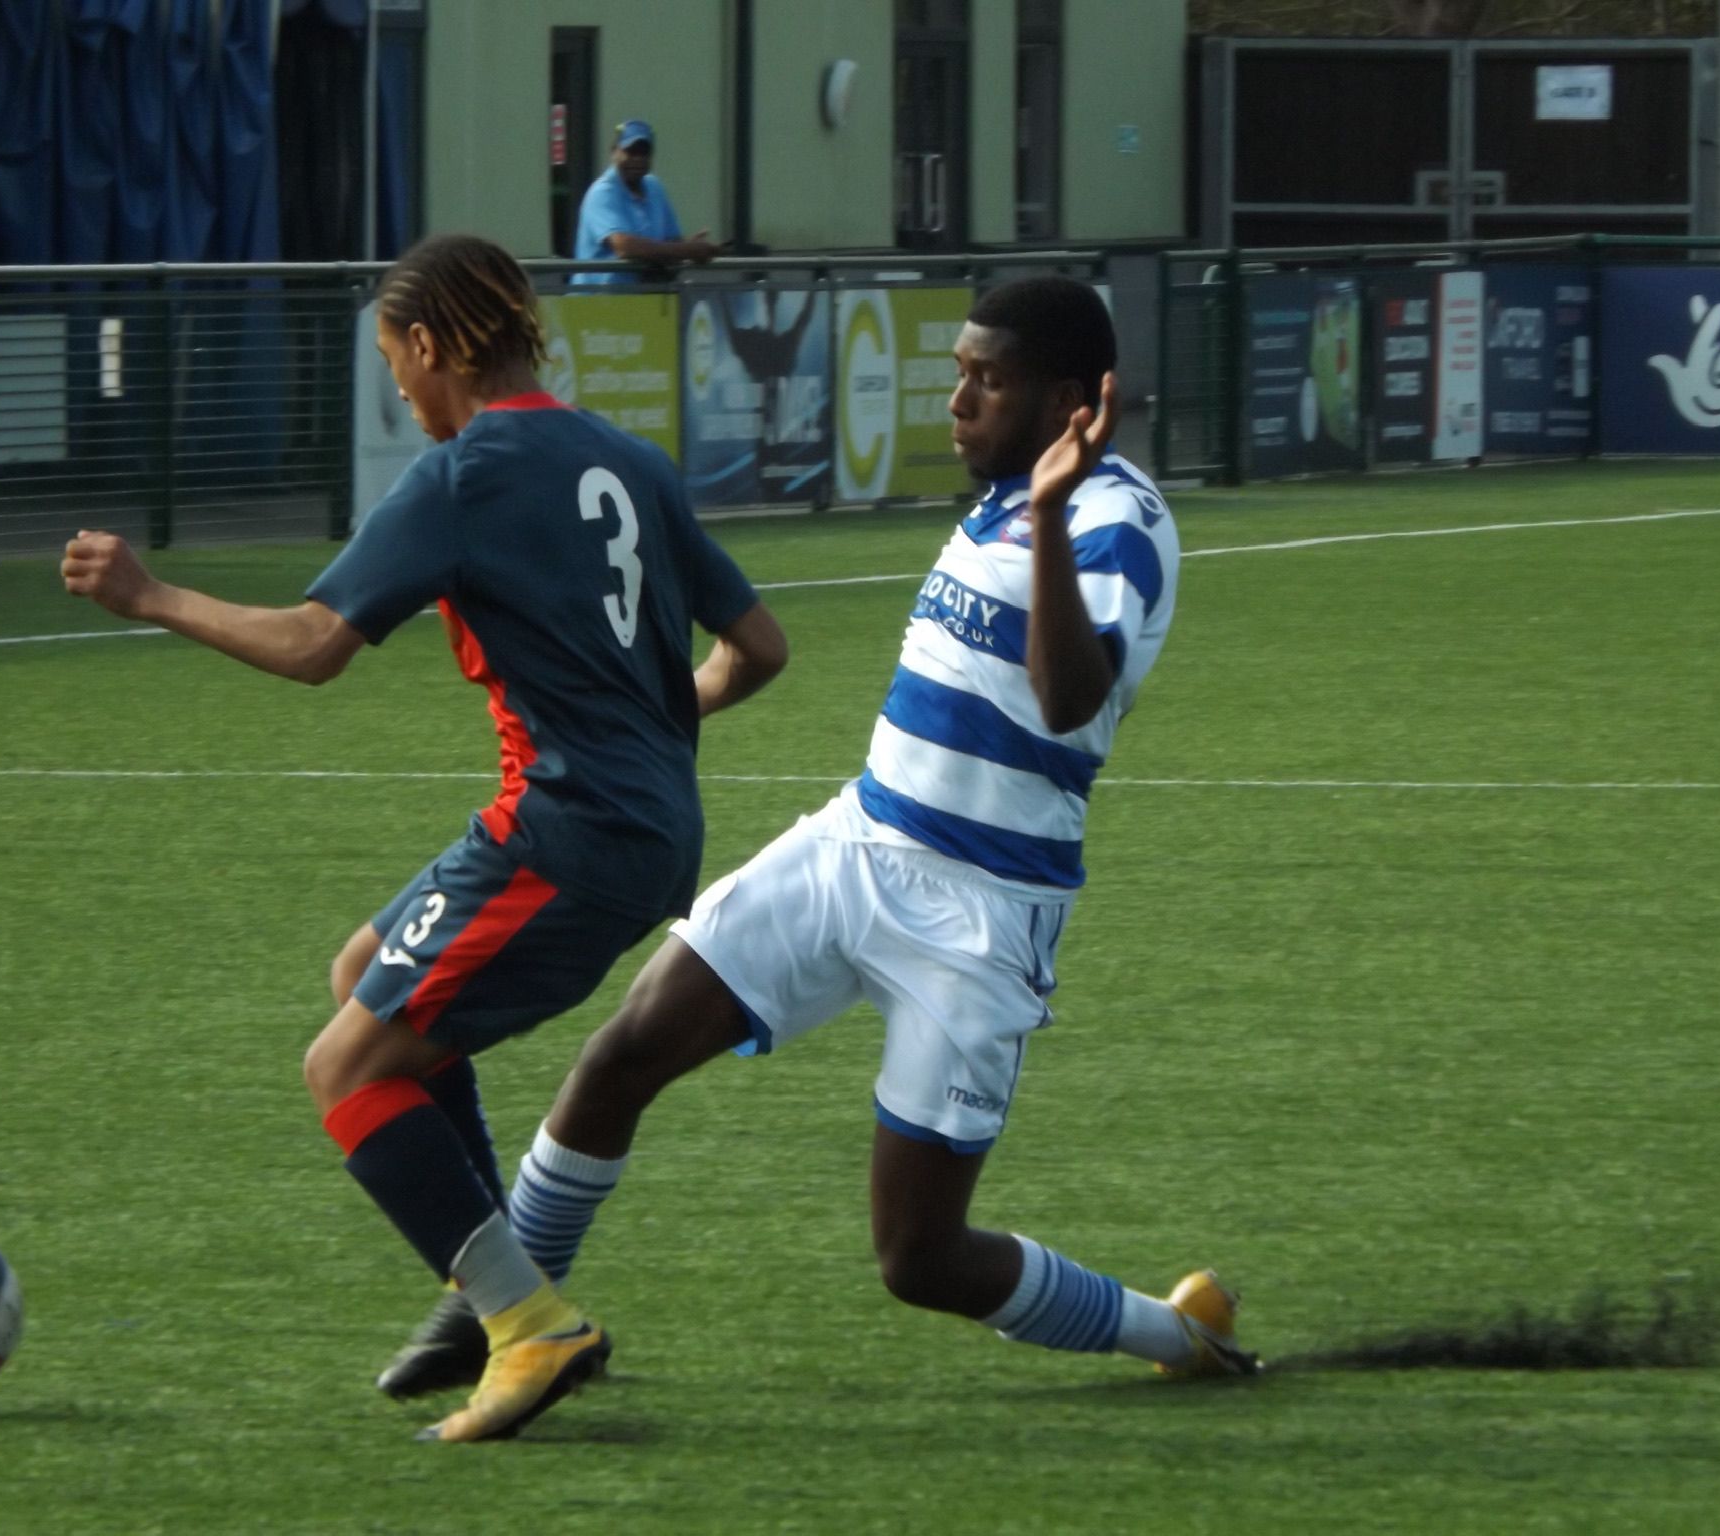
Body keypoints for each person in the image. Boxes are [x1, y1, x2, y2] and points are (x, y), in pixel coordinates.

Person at [390, 276, 1258, 1422]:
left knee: (917, 1258)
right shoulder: (1005, 495)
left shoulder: (1115, 521)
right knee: (621, 1056)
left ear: (1065, 402)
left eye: (982, 382)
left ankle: (1172, 1333)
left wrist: (1049, 514)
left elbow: (1066, 699)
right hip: (857, 841)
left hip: (979, 912)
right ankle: (503, 1319)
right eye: (954, 371)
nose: (953, 400)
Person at [59, 233, 788, 1442]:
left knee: (339, 1067)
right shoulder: (629, 460)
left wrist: (150, 596)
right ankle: (493, 1289)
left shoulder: (465, 474)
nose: (400, 390)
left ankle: (524, 1322)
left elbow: (312, 647)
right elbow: (759, 650)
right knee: (364, 975)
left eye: (397, 360)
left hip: (566, 833)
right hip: (651, 822)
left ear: (436, 345)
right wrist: (659, 724)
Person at [571, 118, 721, 286]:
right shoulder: (602, 192)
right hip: (594, 303)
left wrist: (689, 246)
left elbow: (672, 241)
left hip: (643, 300)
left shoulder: (654, 187)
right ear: (614, 152)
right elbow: (625, 247)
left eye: (644, 153)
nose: (637, 159)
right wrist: (686, 250)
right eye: (630, 151)